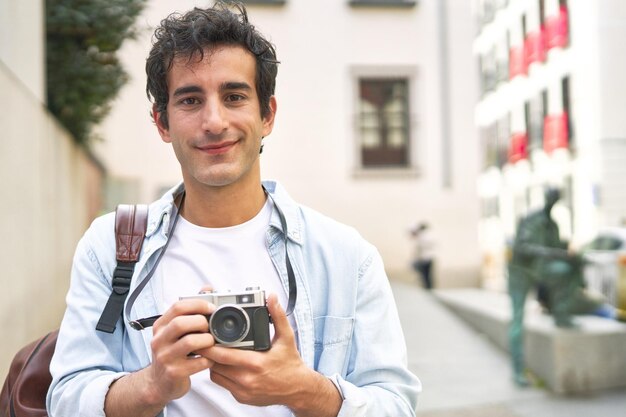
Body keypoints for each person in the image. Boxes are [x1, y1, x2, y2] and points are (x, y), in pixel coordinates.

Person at [46, 3, 420, 417]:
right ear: (162, 123)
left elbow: (396, 405)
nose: (214, 121)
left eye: (234, 96)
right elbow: (65, 398)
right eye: (190, 100)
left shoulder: (346, 257)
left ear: (267, 115)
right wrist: (152, 384)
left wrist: (303, 390)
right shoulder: (112, 245)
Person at [507, 187, 579, 386]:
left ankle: (561, 315)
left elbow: (555, 248)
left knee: (565, 271)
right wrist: (550, 252)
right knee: (517, 320)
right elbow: (522, 247)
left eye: (556, 199)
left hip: (540, 269)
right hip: (520, 273)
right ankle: (518, 370)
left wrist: (567, 251)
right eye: (551, 198)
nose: (552, 202)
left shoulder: (553, 224)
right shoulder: (532, 220)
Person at [409, 222, 435, 289]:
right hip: (425, 259)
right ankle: (428, 288)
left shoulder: (423, 237)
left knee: (426, 275)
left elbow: (421, 250)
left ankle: (428, 288)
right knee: (426, 276)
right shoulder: (423, 237)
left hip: (426, 259)